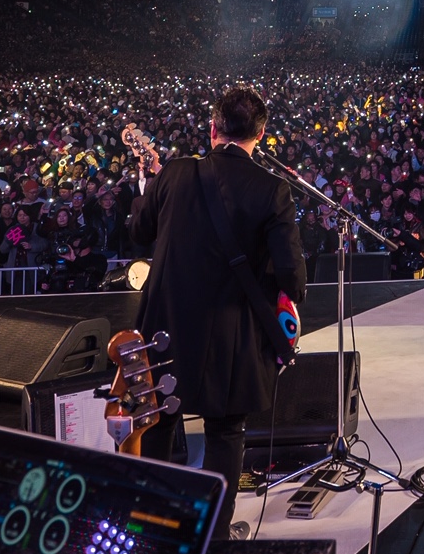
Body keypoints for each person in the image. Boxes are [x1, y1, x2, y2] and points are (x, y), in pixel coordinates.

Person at [128, 85, 306, 504]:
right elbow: (291, 276)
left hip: (166, 328)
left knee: (158, 422)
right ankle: (216, 537)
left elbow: (139, 232)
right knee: (225, 433)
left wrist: (145, 185)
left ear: (213, 128)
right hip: (233, 336)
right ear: (260, 136)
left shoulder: (173, 172)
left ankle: (157, 523)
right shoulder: (273, 189)